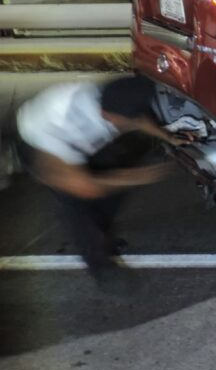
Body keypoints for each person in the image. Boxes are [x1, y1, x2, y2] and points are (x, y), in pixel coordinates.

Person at [12, 74, 186, 291]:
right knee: (77, 206)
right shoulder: (70, 123)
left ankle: (102, 233)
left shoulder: (118, 99)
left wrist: (168, 137)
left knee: (114, 185)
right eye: (110, 115)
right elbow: (87, 187)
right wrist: (140, 176)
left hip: (76, 140)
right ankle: (102, 268)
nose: (110, 117)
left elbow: (138, 119)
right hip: (38, 144)